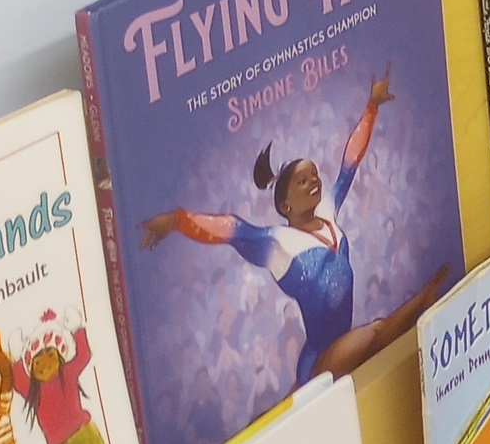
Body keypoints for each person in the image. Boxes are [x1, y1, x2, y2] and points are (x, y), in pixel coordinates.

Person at [141, 68, 449, 388]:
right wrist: (177, 221)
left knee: (375, 343)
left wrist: (372, 107)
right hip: (319, 360)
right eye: (302, 181)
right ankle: (424, 301)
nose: (314, 181)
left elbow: (349, 163)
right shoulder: (278, 243)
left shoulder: (328, 214)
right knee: (377, 332)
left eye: (314, 175)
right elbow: (232, 229)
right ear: (285, 205)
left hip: (344, 345)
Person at [11, 310, 136, 444]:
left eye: (50, 356)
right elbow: (19, 380)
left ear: (60, 356)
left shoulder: (67, 373)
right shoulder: (34, 391)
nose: (45, 364)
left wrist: (78, 328)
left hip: (84, 432)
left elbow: (83, 354)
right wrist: (15, 357)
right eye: (37, 363)